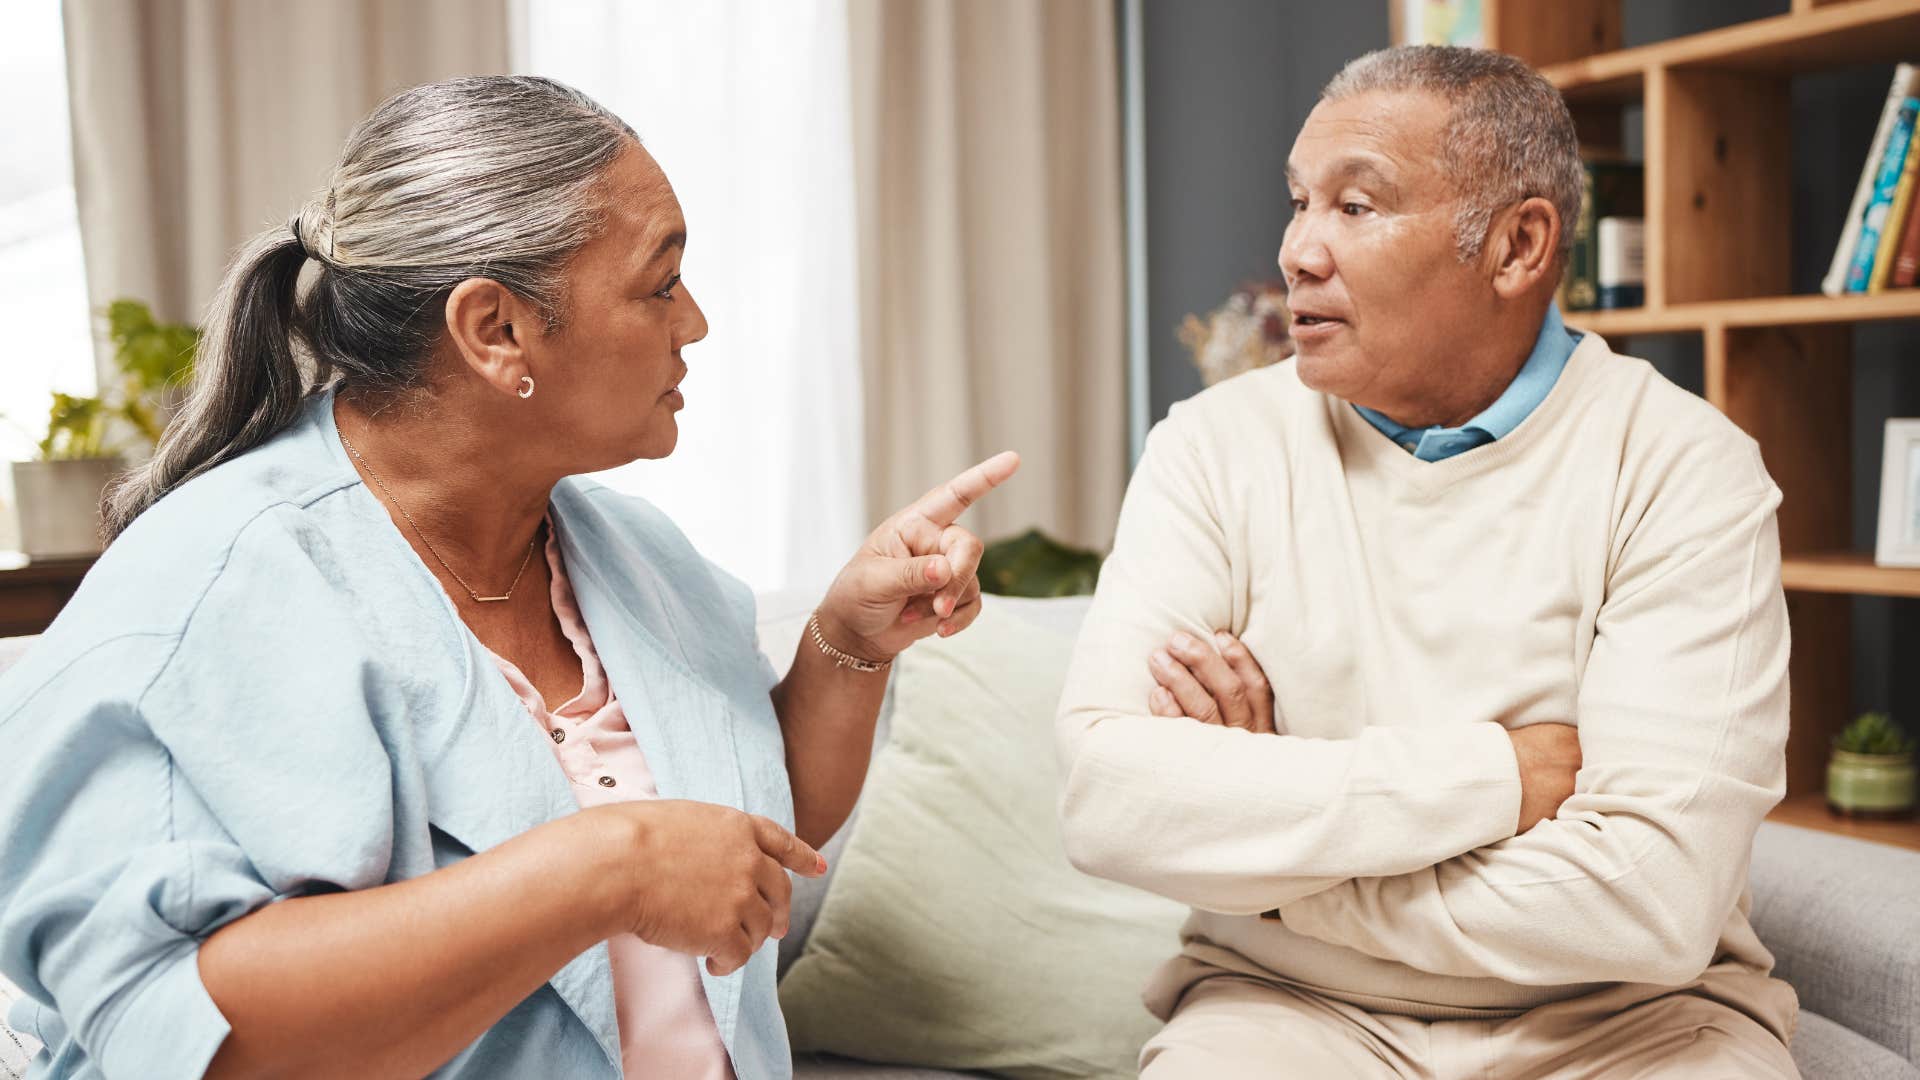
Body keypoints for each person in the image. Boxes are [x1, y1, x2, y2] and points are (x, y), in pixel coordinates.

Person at [0, 75, 1015, 1080]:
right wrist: (603, 870)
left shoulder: (635, 556)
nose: (694, 322)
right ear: (495, 331)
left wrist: (847, 641)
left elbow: (747, 841)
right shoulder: (206, 592)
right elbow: (178, 1035)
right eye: (660, 284)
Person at [1056, 45, 1800, 1078]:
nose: (1297, 252)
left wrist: (1275, 868)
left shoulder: (1683, 469)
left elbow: (1650, 902)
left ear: (1516, 246)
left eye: (1355, 207)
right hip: (1287, 1005)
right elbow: (1107, 799)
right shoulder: (1210, 447)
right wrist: (1499, 774)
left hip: (1630, 1025)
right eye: (1298, 201)